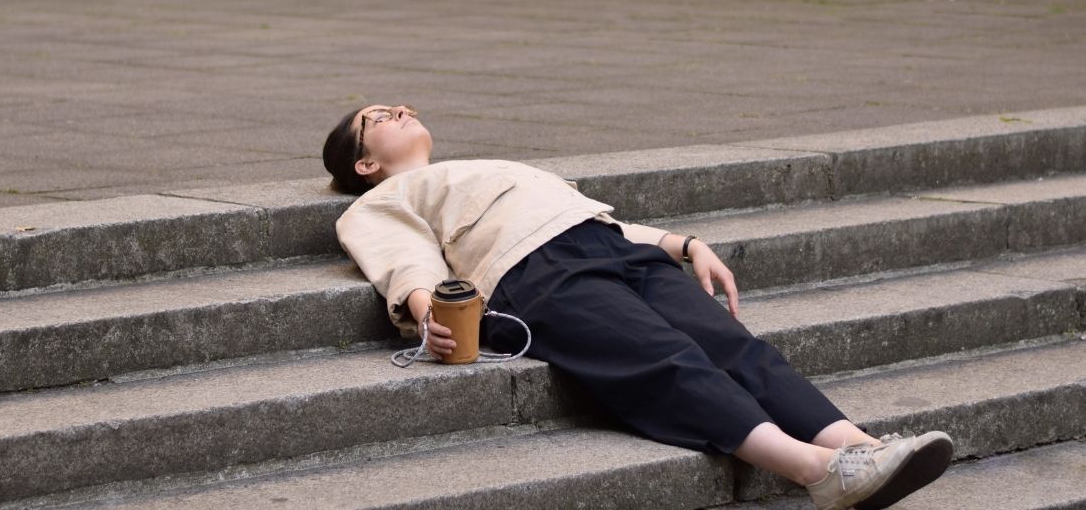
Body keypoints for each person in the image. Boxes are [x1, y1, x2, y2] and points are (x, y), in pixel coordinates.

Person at [323, 104, 953, 510]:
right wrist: (429, 306)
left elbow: (589, 218)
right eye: (377, 116)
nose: (399, 108)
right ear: (365, 161)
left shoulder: (482, 166)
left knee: (737, 346)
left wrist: (684, 243)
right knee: (669, 361)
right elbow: (402, 259)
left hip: (607, 247)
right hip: (534, 273)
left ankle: (862, 447)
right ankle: (818, 470)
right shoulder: (379, 202)